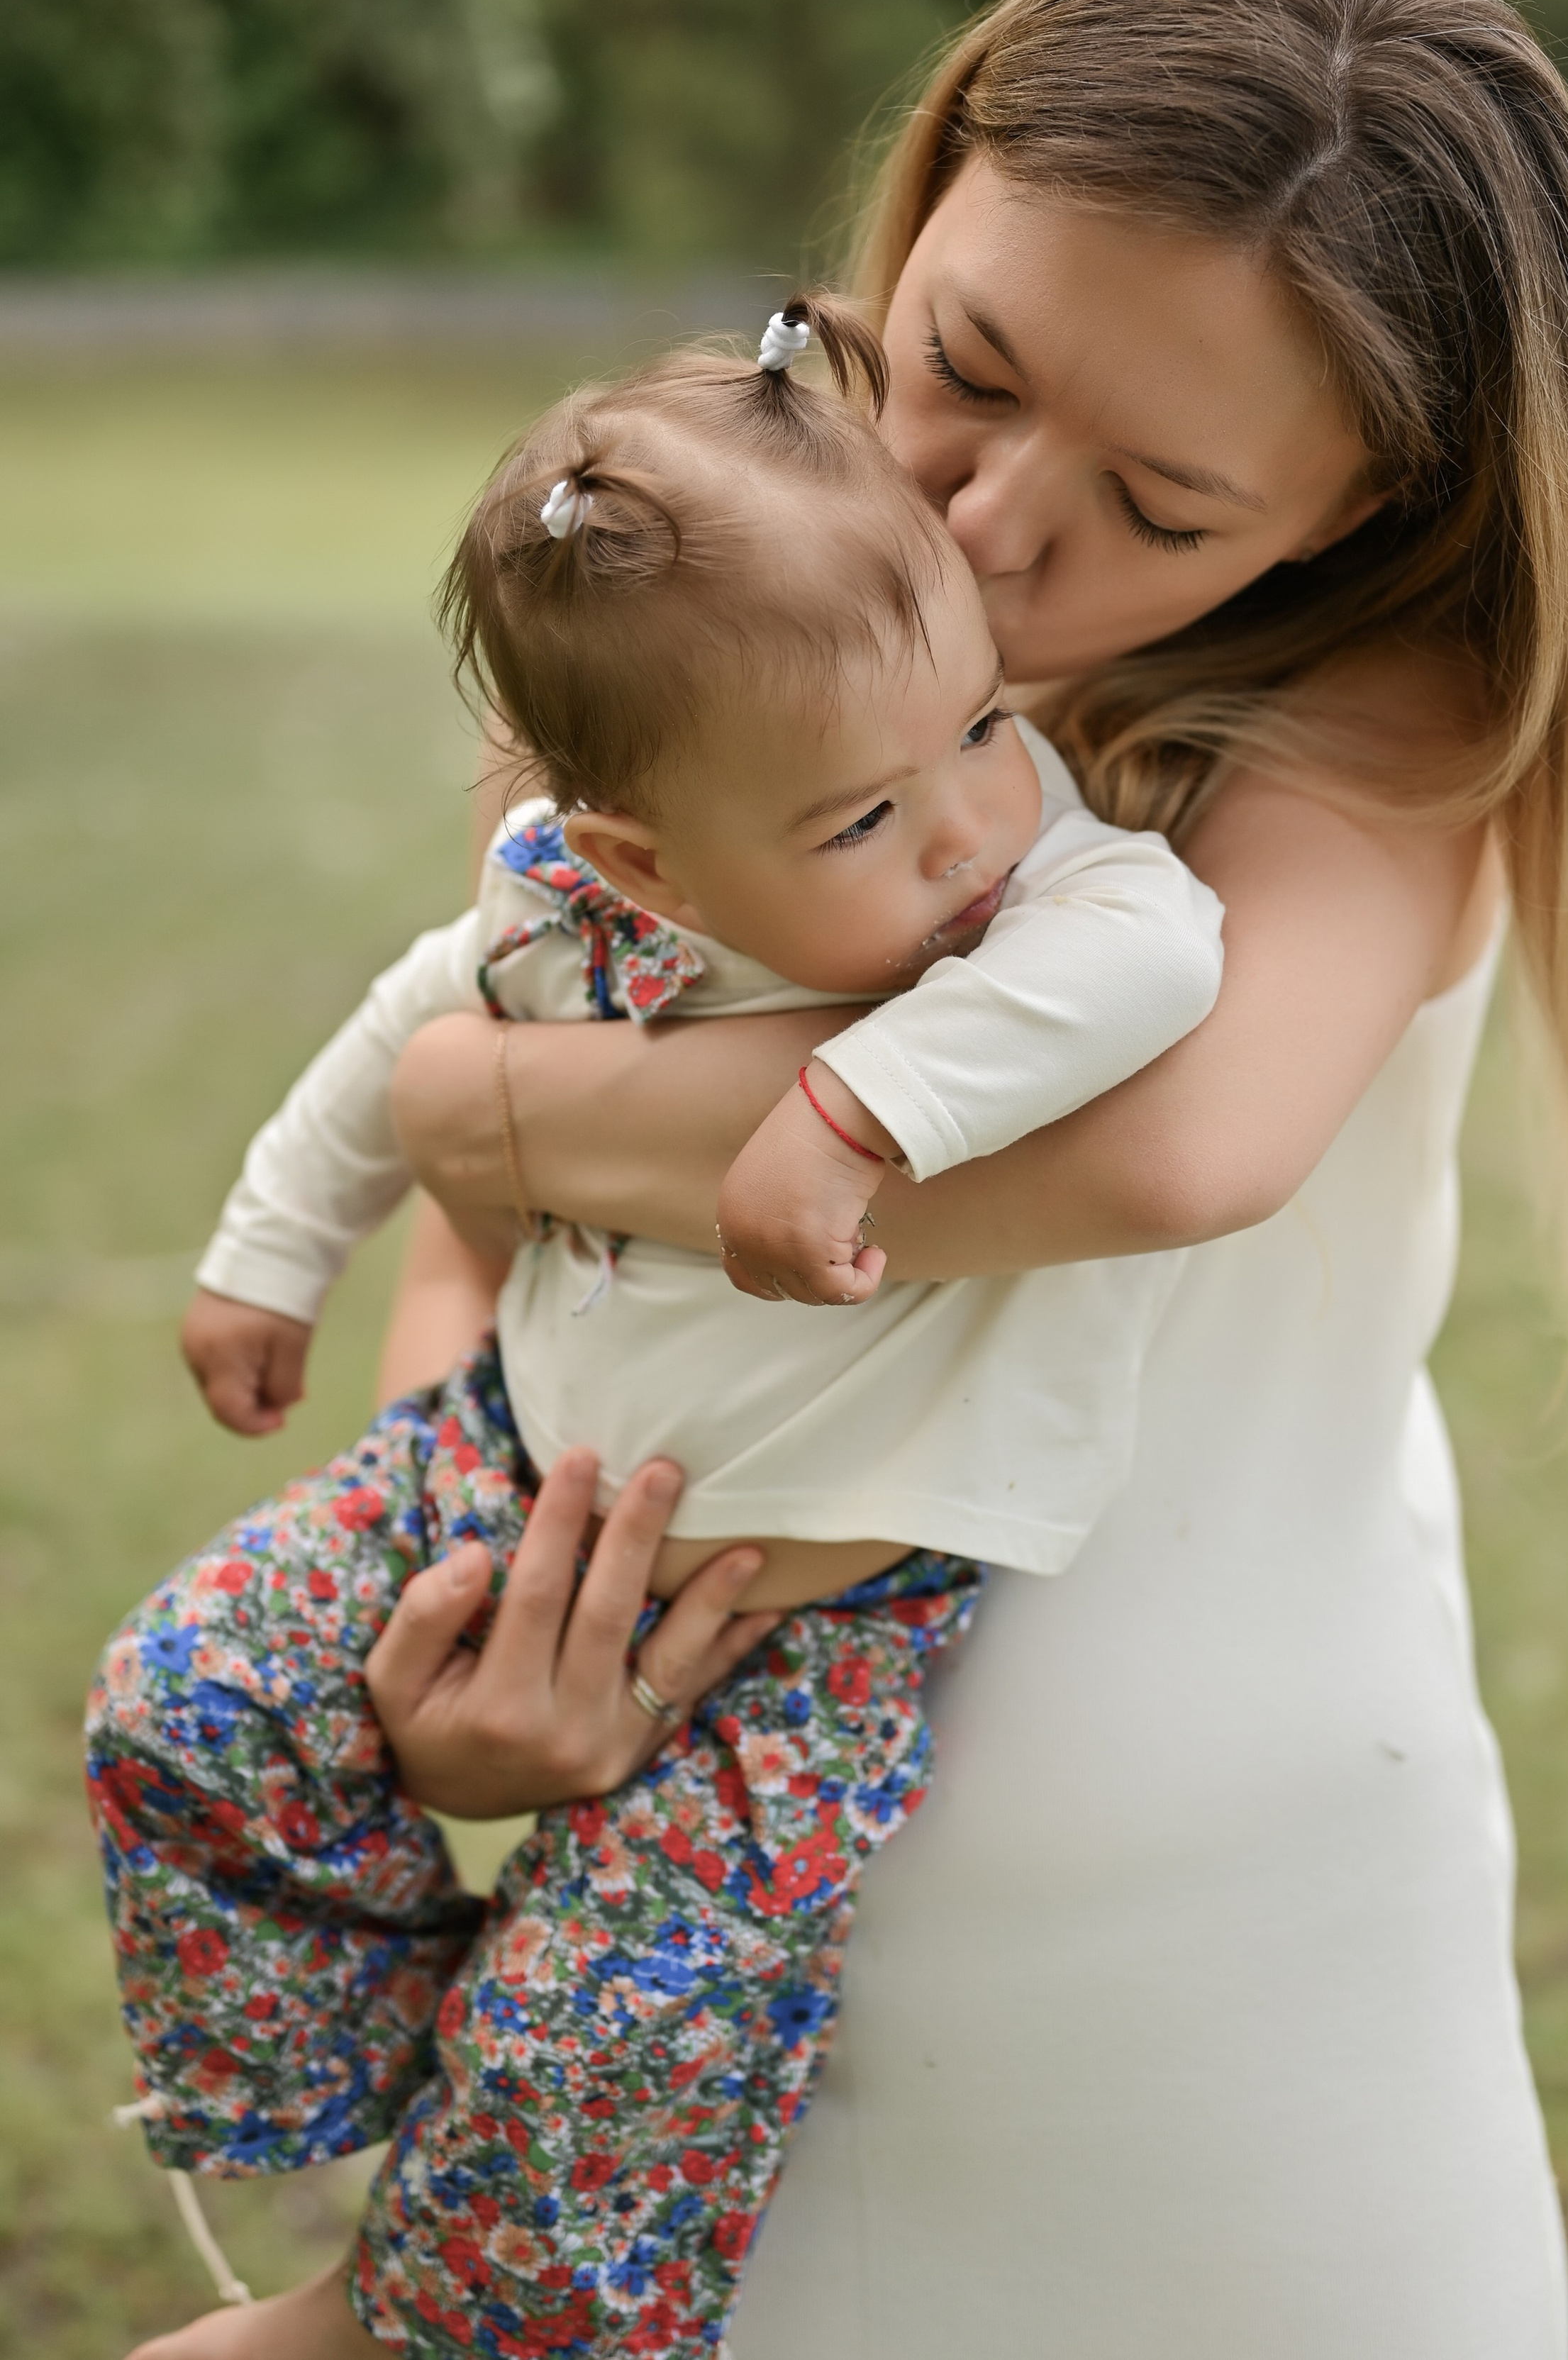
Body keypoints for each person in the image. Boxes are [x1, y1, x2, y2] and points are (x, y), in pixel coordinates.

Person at [359, 0, 1568, 2359]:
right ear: (940, 168)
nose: (985, 523)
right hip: (695, 1955)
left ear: (1363, 514)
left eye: (1163, 508)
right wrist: (460, 1613)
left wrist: (483, 1104)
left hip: (1220, 2019)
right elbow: (503, 1276)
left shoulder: (1385, 723)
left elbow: (1174, 1144)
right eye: (968, 363)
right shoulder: (693, 603)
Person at [93, 303, 1224, 2355]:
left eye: (979, 726)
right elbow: (402, 1041)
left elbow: (1158, 952)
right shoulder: (564, 897)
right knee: (187, 1694)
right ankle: (345, 2067)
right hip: (523, 1454)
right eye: (865, 821)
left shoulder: (1039, 888)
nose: (971, 823)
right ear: (642, 853)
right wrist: (272, 1254)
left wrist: (853, 1103)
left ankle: (458, 2290)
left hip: (815, 1589)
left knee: (620, 2021)